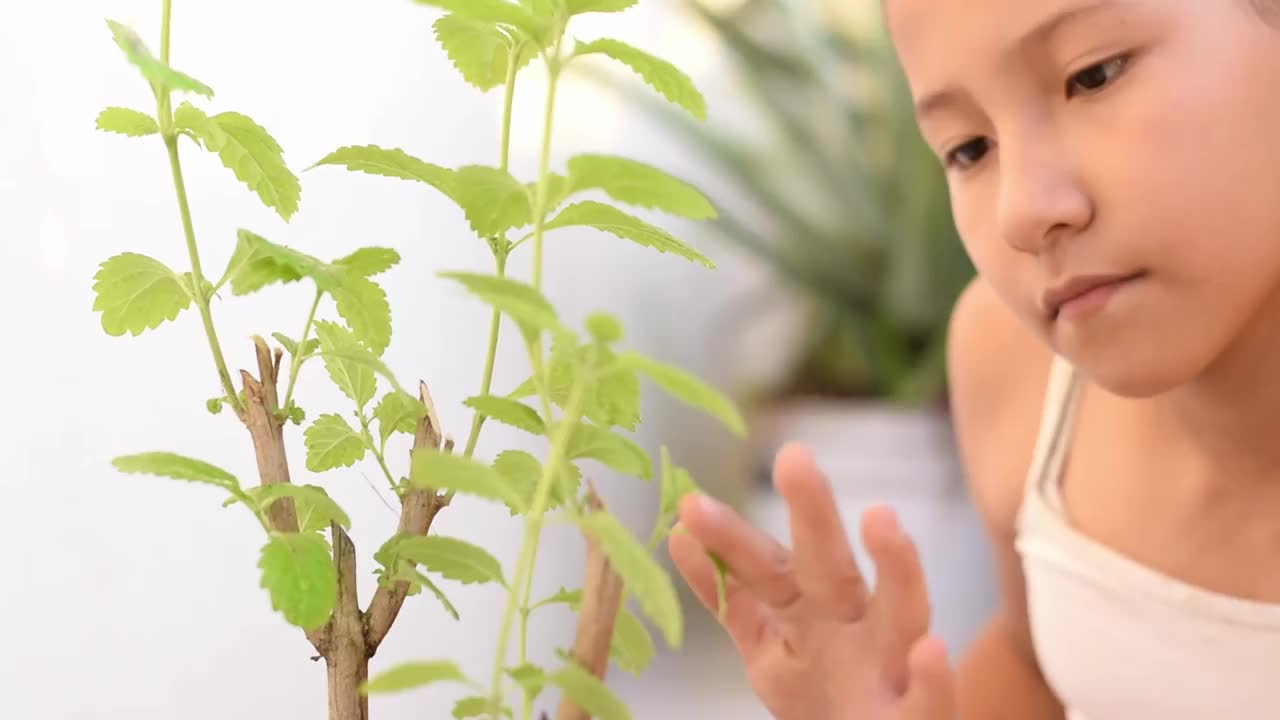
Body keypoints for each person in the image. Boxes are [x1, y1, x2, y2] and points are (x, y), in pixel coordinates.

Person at [667, 1, 1280, 718]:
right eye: (968, 149)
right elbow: (1038, 666)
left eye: (1094, 75)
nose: (1021, 211)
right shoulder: (1017, 368)